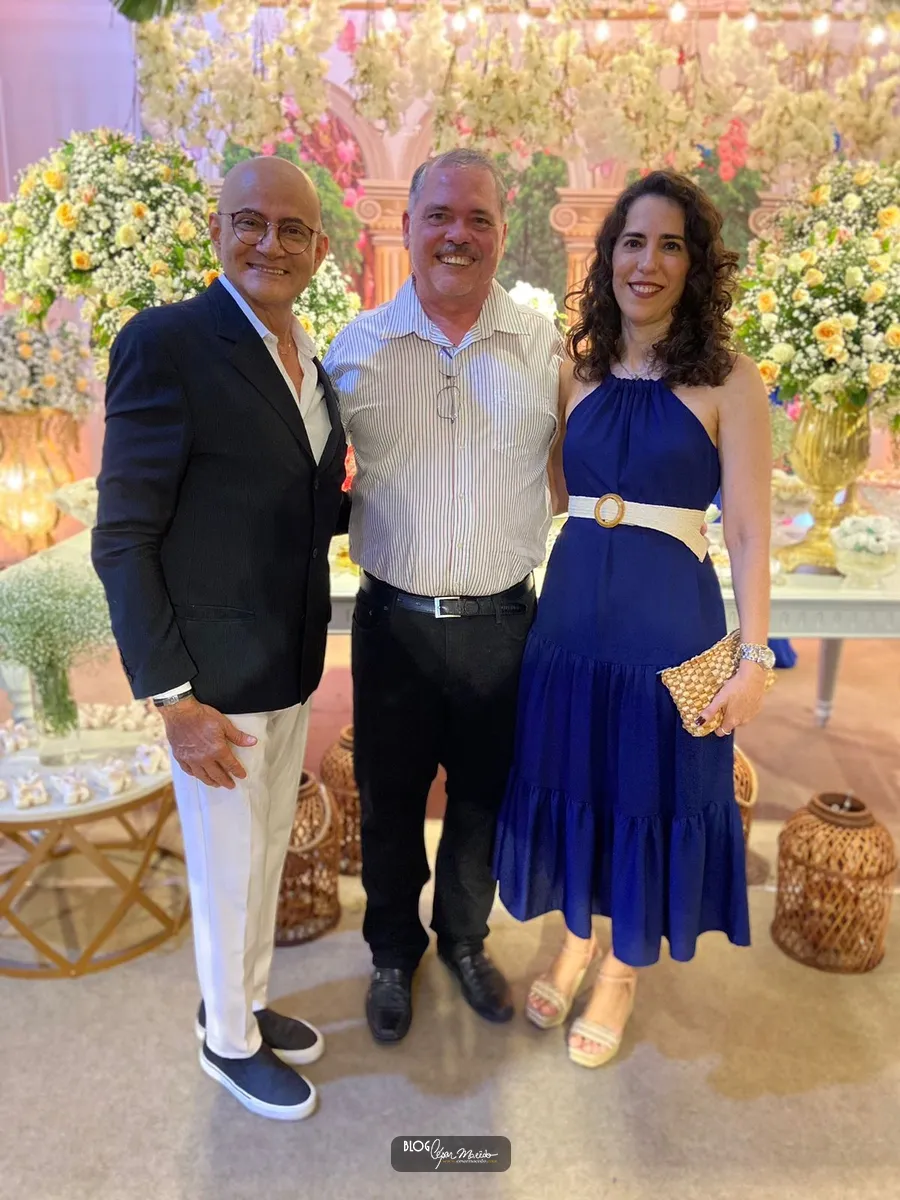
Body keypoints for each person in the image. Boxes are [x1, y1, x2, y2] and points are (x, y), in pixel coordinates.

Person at [493, 170, 773, 1068]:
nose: (646, 262)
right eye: (632, 242)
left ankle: (621, 966)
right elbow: (554, 493)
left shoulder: (730, 380)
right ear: (608, 255)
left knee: (651, 791)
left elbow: (750, 529)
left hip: (670, 632)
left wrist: (756, 657)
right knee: (579, 779)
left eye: (670, 245)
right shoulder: (574, 372)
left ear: (696, 265)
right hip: (571, 625)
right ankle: (579, 937)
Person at [92, 157, 348, 1119]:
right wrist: (172, 697)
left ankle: (243, 1002)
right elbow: (124, 536)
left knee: (263, 857)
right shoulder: (167, 343)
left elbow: (301, 503)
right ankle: (228, 1043)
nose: (270, 244)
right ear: (218, 231)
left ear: (318, 249)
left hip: (287, 663)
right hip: (210, 684)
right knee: (227, 868)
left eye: (292, 230)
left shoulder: (308, 358)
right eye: (250, 222)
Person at [324, 149, 563, 1043]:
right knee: (388, 802)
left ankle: (464, 939)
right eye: (440, 215)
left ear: (502, 233)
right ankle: (392, 952)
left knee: (482, 803)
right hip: (394, 624)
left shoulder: (545, 348)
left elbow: (576, 475)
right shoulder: (356, 348)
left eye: (478, 219)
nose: (458, 234)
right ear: (408, 225)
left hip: (505, 623)